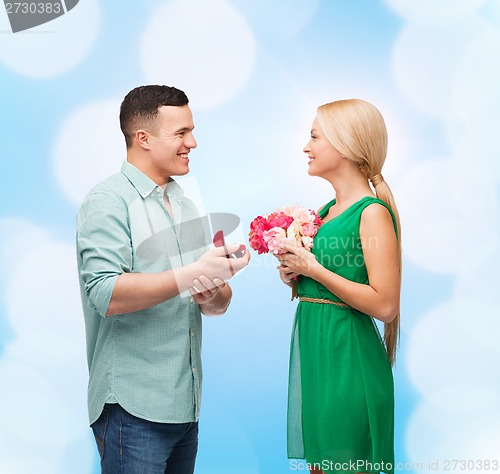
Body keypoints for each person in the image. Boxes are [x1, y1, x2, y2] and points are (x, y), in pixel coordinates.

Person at [76, 85, 250, 474]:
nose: (193, 142)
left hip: (184, 405)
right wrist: (195, 273)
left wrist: (216, 282)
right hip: (131, 408)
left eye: (192, 130)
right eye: (181, 133)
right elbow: (105, 293)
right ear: (143, 139)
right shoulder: (107, 201)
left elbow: (215, 302)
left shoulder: (185, 202)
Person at [276, 99, 401, 474]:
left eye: (315, 136)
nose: (306, 146)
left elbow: (385, 305)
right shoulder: (326, 211)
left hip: (348, 363)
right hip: (319, 361)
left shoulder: (372, 213)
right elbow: (330, 286)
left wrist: (313, 267)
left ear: (346, 145)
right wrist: (295, 277)